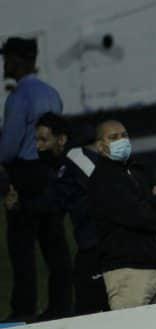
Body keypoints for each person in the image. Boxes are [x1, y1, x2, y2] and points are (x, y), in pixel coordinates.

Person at [6, 113, 109, 315]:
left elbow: (107, 185)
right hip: (91, 245)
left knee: (92, 304)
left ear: (61, 140)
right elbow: (52, 202)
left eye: (44, 140)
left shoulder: (75, 158)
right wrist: (19, 205)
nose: (38, 146)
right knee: (89, 303)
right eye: (36, 140)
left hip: (103, 244)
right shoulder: (60, 168)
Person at [0, 36, 67, 321]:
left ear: (18, 61)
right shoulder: (51, 93)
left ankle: (24, 310)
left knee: (22, 248)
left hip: (25, 175)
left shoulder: (19, 98)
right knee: (55, 245)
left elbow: (8, 148)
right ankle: (61, 306)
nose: (4, 64)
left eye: (7, 59)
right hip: (50, 172)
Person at [86, 120, 156, 309]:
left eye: (124, 135)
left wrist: (153, 203)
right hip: (128, 275)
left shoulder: (140, 170)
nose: (121, 140)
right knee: (131, 328)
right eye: (113, 137)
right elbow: (144, 218)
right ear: (100, 146)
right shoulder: (103, 181)